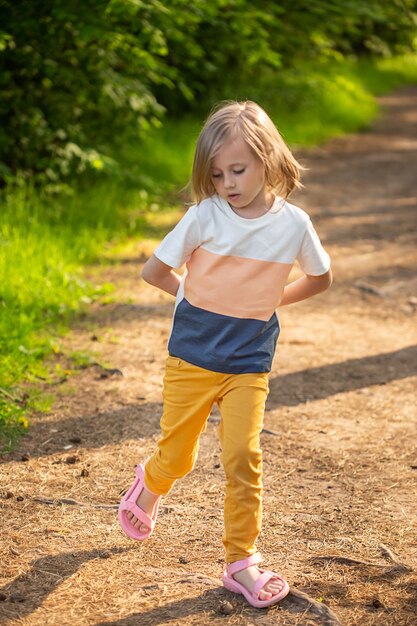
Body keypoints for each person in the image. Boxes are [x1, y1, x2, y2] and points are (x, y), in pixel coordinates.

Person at [118, 100, 332, 608]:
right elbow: (154, 272)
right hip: (191, 359)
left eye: (238, 170)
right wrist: (197, 297)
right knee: (179, 456)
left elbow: (321, 277)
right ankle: (148, 485)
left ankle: (242, 562)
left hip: (247, 364)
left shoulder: (294, 224)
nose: (228, 183)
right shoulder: (204, 216)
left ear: (268, 160)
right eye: (217, 174)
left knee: (243, 457)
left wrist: (272, 298)